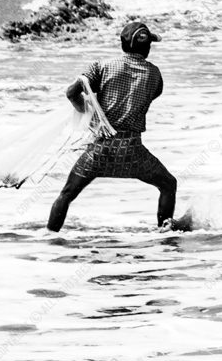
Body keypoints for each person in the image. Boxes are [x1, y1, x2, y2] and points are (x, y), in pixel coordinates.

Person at [46, 21, 177, 231]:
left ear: (123, 44)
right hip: (132, 152)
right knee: (168, 185)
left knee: (67, 193)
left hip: (100, 151)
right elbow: (152, 95)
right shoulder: (154, 74)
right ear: (147, 48)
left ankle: (50, 238)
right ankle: (164, 234)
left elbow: (72, 92)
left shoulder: (102, 66)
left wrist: (88, 114)